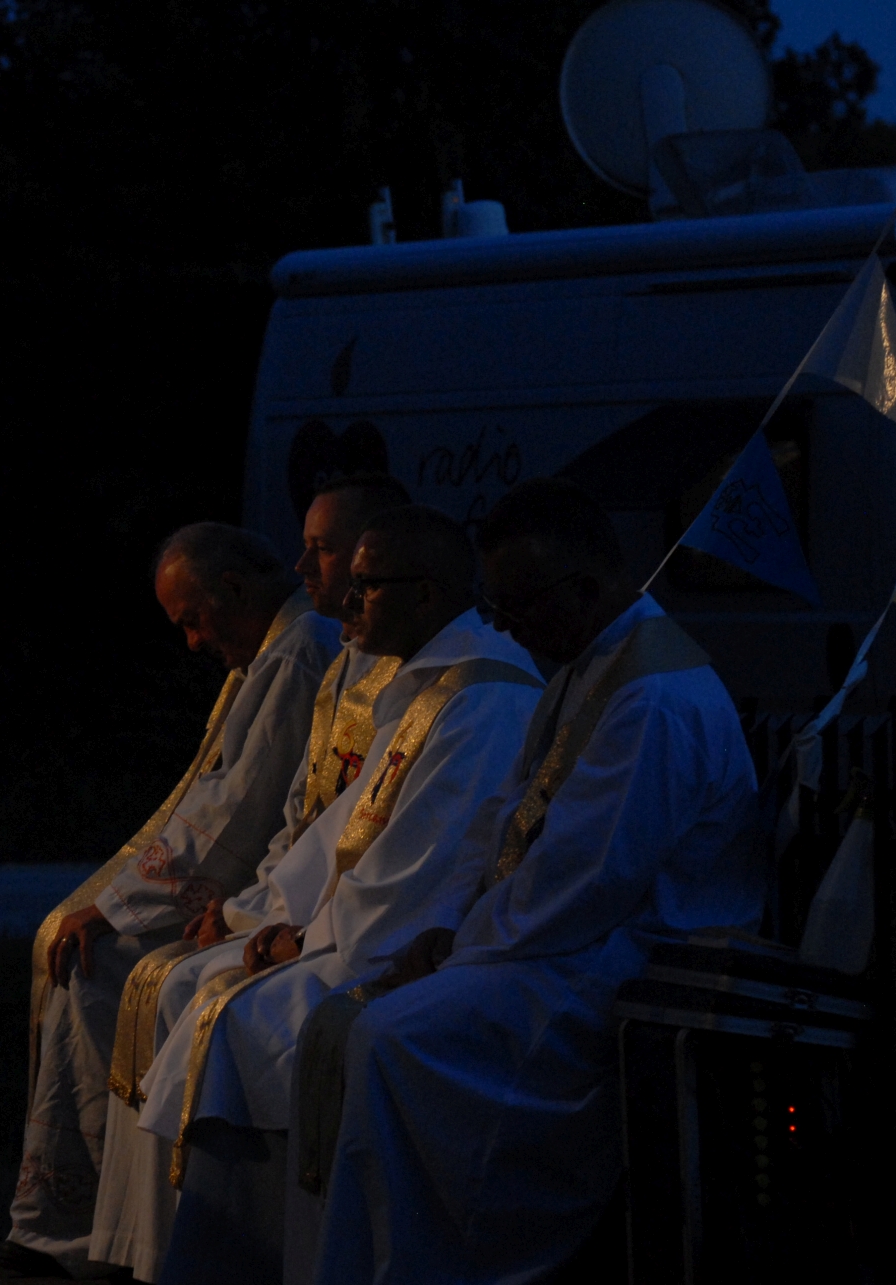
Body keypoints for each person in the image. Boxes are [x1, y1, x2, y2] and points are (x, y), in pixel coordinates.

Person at [307, 478, 763, 1284]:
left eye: (517, 603)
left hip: (625, 961)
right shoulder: (587, 665)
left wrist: (456, 950)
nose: (502, 623)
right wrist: (445, 928)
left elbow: (583, 883)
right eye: (497, 602)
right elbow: (505, 821)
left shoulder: (654, 697)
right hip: (555, 939)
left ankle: (446, 1257)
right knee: (368, 1022)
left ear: (583, 587)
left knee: (389, 1036)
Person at [134, 506, 544, 1285]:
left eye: (365, 585)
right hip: (357, 925)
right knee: (203, 993)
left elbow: (428, 863)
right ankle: (190, 1252)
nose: (344, 603)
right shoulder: (430, 680)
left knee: (240, 1020)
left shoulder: (481, 696)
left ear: (424, 594)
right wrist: (271, 916)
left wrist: (304, 936)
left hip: (408, 940)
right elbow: (340, 830)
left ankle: (263, 1258)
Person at [88, 474, 410, 1283]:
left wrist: (271, 924)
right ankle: (147, 1244)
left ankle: (233, 1249)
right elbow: (307, 818)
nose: (302, 566)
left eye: (324, 550)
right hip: (303, 912)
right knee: (174, 985)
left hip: (363, 933)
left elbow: (379, 850)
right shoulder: (348, 664)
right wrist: (248, 912)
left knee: (197, 997)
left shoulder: (414, 682)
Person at [5, 522, 340, 1277]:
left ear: (234, 588)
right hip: (254, 885)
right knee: (72, 940)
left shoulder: (298, 652)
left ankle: (125, 1227)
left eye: (193, 620)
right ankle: (94, 1218)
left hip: (264, 895)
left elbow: (240, 811)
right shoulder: (274, 651)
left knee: (101, 967)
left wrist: (123, 908)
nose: (192, 643)